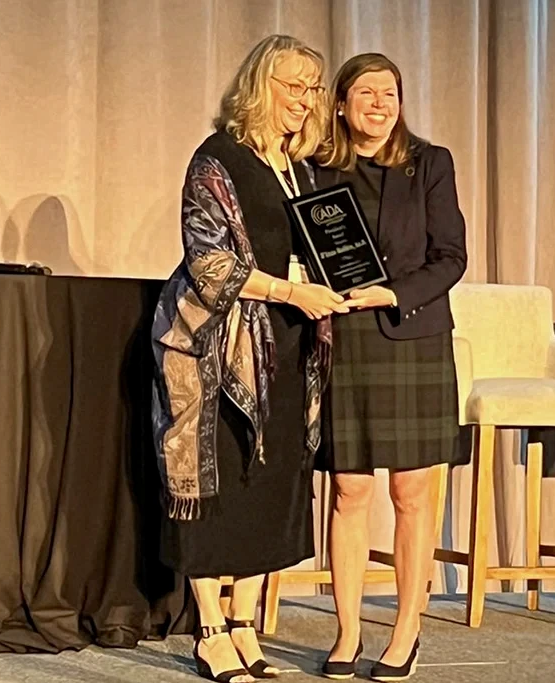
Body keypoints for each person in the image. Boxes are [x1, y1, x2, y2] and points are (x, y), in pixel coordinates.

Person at [151, 35, 348, 683]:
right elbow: (210, 262)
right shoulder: (218, 159)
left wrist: (343, 280)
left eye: (314, 87)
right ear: (260, 86)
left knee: (270, 489)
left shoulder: (302, 166)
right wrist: (291, 289)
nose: (307, 99)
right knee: (217, 486)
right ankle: (210, 631)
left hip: (287, 348)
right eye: (295, 85)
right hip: (213, 346)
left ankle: (244, 624)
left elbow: (324, 247)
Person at [314, 53, 467, 682]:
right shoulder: (314, 168)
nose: (380, 103)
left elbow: (450, 258)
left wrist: (393, 294)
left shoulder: (430, 163)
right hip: (345, 337)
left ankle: (406, 629)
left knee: (411, 491)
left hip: (411, 335)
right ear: (343, 103)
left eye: (391, 93)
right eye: (367, 93)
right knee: (349, 488)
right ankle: (348, 629)